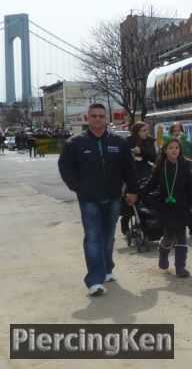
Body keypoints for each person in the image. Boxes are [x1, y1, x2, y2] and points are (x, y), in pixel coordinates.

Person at [58, 104, 139, 296]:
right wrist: (78, 187)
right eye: (93, 116)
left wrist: (133, 191)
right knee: (93, 237)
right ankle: (94, 280)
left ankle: (107, 268)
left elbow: (129, 168)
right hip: (89, 199)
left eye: (101, 116)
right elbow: (65, 167)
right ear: (88, 118)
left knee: (108, 237)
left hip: (112, 198)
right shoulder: (75, 143)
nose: (97, 119)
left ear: (106, 118)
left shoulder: (119, 142)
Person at [139, 139, 192, 277]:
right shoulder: (160, 167)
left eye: (177, 148)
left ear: (180, 151)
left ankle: (180, 267)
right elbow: (150, 184)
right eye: (171, 148)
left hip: (182, 206)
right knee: (168, 237)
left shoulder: (185, 166)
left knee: (181, 237)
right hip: (166, 206)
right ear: (165, 150)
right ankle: (163, 253)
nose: (174, 150)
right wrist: (137, 193)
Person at [120, 121, 158, 236]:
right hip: (130, 169)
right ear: (136, 131)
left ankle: (150, 219)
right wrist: (131, 152)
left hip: (145, 169)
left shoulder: (150, 141)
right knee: (130, 193)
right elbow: (122, 157)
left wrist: (142, 151)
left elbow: (154, 158)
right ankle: (125, 220)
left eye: (147, 130)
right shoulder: (127, 140)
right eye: (143, 130)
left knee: (150, 190)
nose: (146, 132)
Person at [169, 122, 192, 236]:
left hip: (187, 174)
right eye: (174, 131)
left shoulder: (188, 143)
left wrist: (191, 163)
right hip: (173, 176)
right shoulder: (168, 144)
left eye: (179, 130)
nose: (177, 133)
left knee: (189, 200)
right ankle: (174, 228)